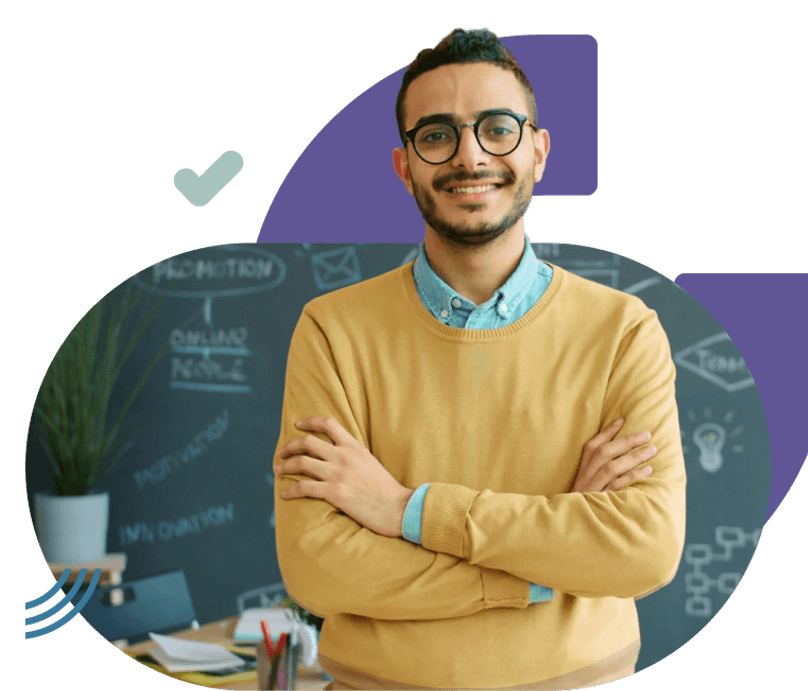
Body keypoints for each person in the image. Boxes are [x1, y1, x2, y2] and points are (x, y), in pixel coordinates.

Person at [273, 27, 686, 690]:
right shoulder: (331, 331)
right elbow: (318, 569)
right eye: (437, 135)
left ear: (538, 152)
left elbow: (644, 551)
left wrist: (405, 509)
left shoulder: (624, 331)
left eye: (497, 129)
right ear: (404, 166)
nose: (470, 156)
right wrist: (546, 566)